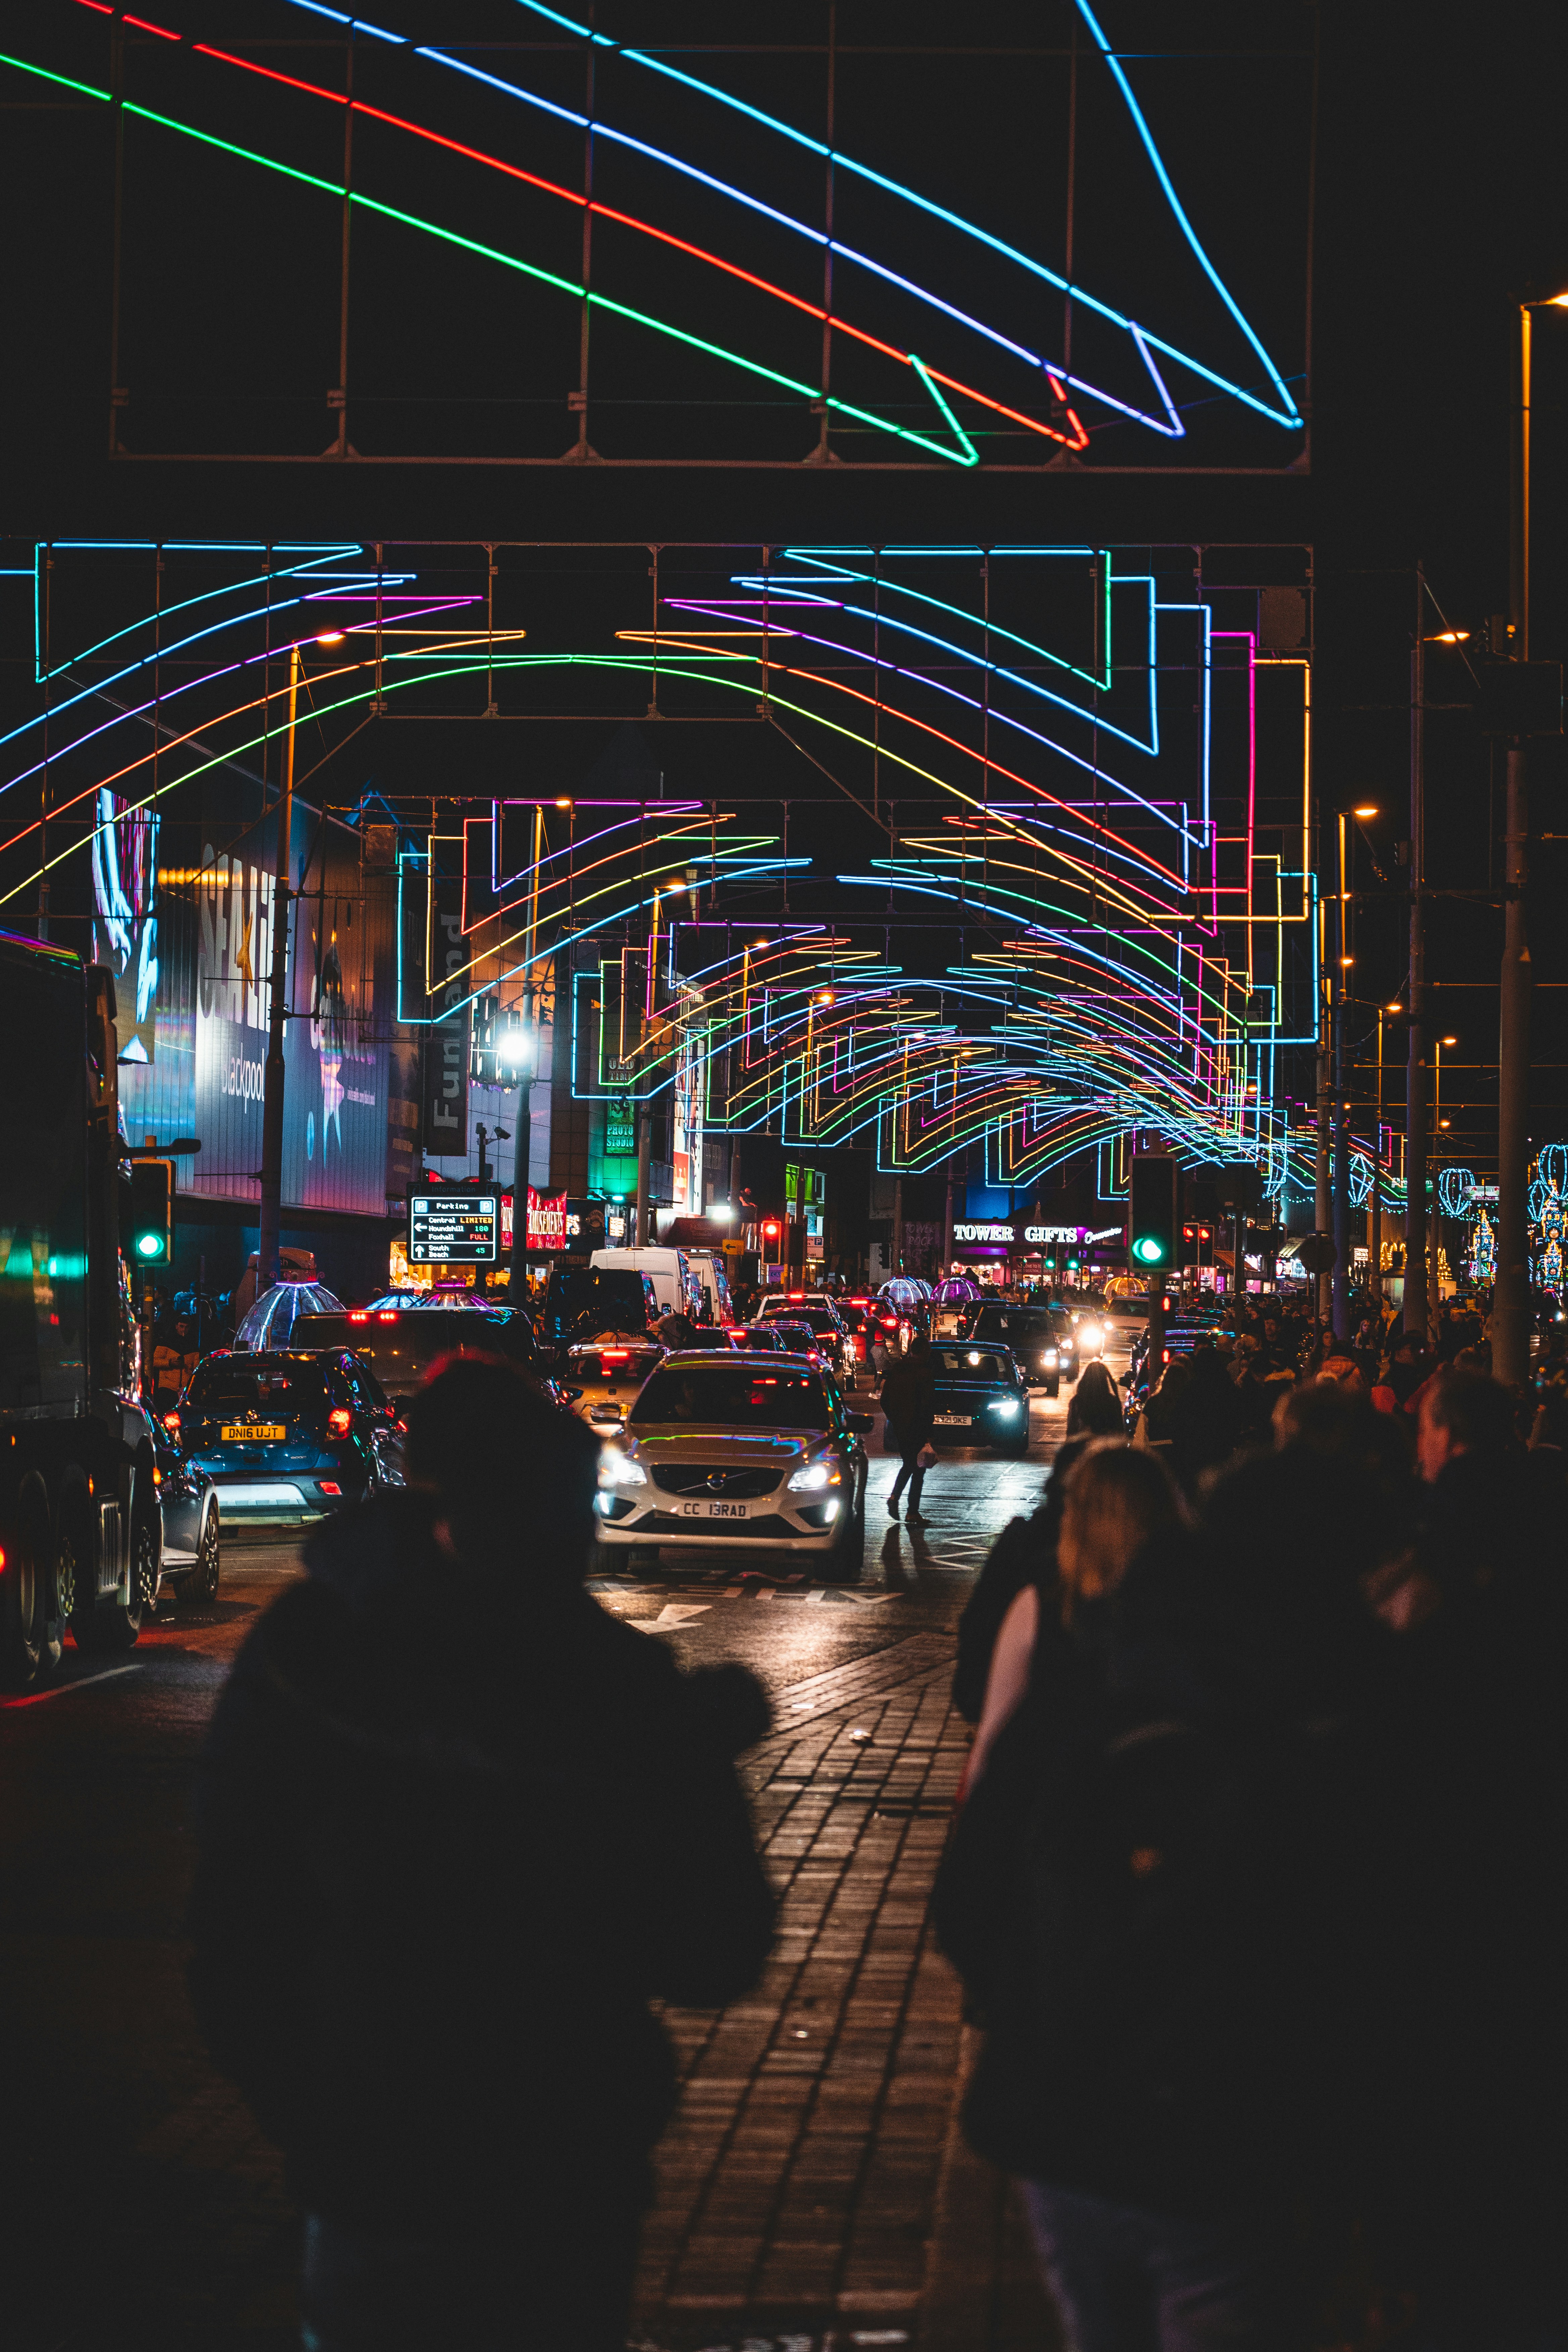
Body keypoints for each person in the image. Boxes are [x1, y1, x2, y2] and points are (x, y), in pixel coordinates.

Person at [187, 1354, 775, 2352]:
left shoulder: (312, 1654)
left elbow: (234, 1914)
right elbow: (720, 1945)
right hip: (558, 2157)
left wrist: (309, 2103)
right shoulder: (622, 1690)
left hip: (374, 2143)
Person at [880, 1332, 936, 1519]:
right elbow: (926, 1406)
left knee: (910, 1464)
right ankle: (910, 1509)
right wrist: (929, 1433)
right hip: (917, 1428)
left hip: (901, 1428)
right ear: (926, 1352)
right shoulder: (924, 1374)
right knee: (918, 1469)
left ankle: (899, 1500)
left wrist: (896, 1419)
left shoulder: (898, 1371)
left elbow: (885, 1400)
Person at [1065, 1358, 1124, 1438]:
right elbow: (1119, 1432)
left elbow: (1071, 1431)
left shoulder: (1077, 1402)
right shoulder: (1113, 1402)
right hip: (1106, 1447)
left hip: (1082, 1447)